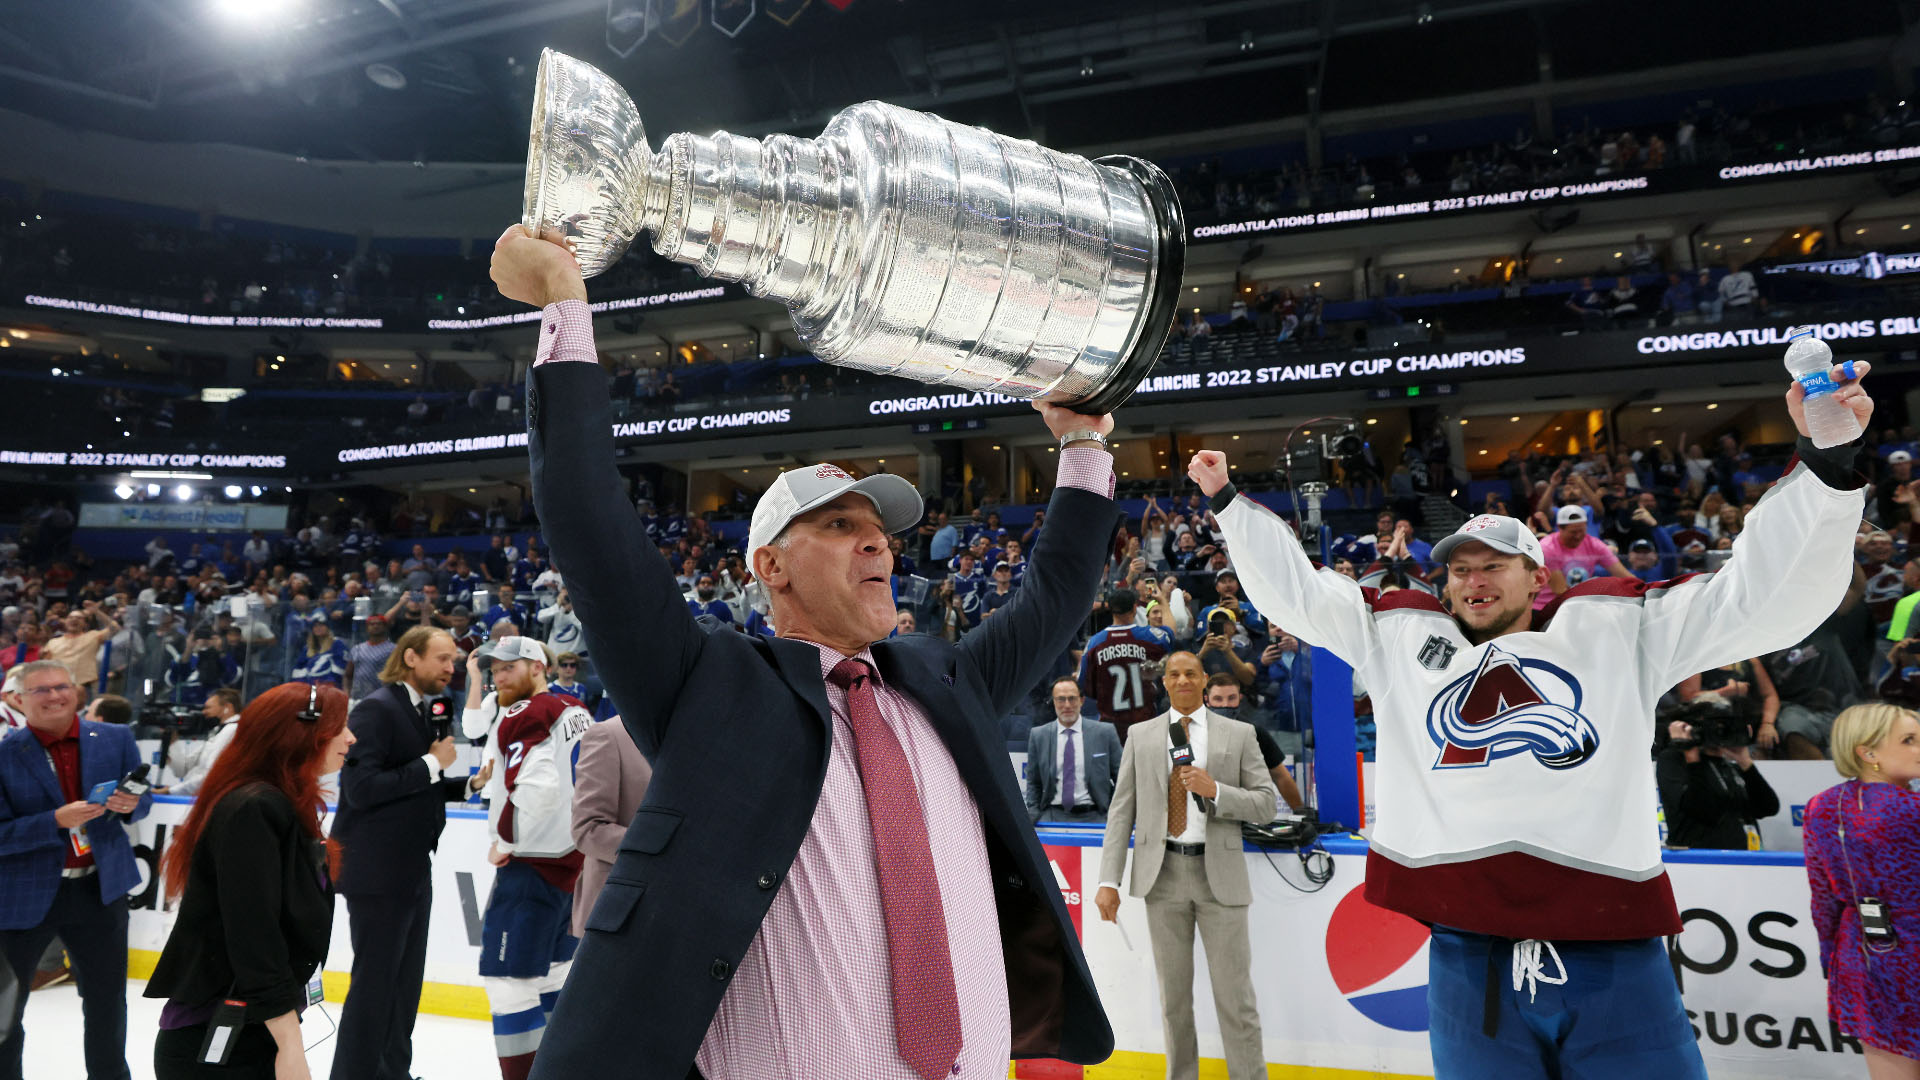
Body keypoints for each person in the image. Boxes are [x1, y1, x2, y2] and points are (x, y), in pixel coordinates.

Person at [493, 220, 1120, 1078]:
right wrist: (565, 309)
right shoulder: (709, 685)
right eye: (840, 526)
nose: (879, 546)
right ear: (771, 566)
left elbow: (1056, 592)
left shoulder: (949, 680)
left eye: (880, 532)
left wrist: (1084, 447)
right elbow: (589, 521)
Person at [1190, 355, 1874, 1080]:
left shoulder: (1615, 628)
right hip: (1467, 955)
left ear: (1538, 575)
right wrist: (1230, 502)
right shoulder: (1400, 638)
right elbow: (1298, 594)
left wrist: (1827, 465)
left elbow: (1757, 598)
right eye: (1460, 569)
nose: (1474, 581)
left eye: (1494, 566)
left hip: (1612, 950)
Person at [146, 683, 354, 1080]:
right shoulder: (254, 808)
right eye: (339, 726)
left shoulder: (280, 803)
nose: (350, 738)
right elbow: (253, 934)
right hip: (219, 1039)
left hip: (254, 1029)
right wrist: (290, 1045)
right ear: (301, 733)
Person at [1094, 651, 1277, 1080]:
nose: (1182, 680)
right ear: (1165, 682)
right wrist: (1108, 880)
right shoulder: (1141, 735)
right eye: (1174, 674)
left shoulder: (1240, 733)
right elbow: (1122, 812)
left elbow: (1267, 805)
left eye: (1190, 673)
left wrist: (1217, 791)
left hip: (1221, 880)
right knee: (1173, 1001)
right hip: (1163, 878)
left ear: (1203, 680)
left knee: (1237, 1001)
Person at [329, 626, 487, 1080]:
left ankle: (392, 1074)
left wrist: (466, 783)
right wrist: (434, 764)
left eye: (454, 661)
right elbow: (361, 790)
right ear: (411, 657)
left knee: (403, 986)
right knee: (376, 985)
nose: (450, 669)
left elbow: (416, 785)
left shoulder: (423, 711)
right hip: (377, 869)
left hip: (412, 865)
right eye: (442, 658)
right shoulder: (376, 711)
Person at [0, 659, 153, 1080]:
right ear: (18, 700)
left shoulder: (115, 737)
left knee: (107, 1001)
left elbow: (143, 799)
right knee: (4, 1008)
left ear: (76, 691)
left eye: (61, 686)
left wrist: (131, 804)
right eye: (41, 690)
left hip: (100, 890)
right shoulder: (4, 753)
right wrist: (52, 822)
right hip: (21, 898)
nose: (54, 696)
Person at [471, 637, 589, 1080]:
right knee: (555, 976)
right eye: (494, 670)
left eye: (509, 668)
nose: (499, 677)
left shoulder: (527, 713)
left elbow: (537, 788)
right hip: (570, 866)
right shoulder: (574, 708)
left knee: (509, 985)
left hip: (530, 868)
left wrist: (505, 838)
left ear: (538, 666)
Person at [1804, 703, 1920, 1079]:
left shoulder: (1821, 807)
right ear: (1868, 753)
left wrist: (1830, 959)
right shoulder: (1912, 809)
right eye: (1909, 740)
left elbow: (1823, 900)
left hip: (1864, 955)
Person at [569, 713, 652, 939]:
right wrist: (660, 851)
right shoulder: (608, 734)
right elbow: (588, 829)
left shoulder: (692, 737)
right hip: (617, 917)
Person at [1655, 718, 1779, 849]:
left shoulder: (1729, 764)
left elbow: (1769, 808)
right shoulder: (1673, 759)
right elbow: (1705, 811)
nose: (1720, 731)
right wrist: (1692, 758)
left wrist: (1745, 762)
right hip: (1701, 861)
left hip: (1746, 858)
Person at [1079, 587, 1173, 742]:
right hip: (1145, 723)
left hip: (1110, 726)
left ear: (1110, 608)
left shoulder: (1094, 643)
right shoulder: (1149, 636)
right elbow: (1171, 633)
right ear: (1135, 608)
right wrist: (1163, 601)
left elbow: (1084, 684)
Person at [1025, 677, 1122, 823]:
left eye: (1072, 698)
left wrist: (1113, 813)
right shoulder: (1039, 736)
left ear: (1081, 700)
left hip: (1097, 817)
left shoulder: (1105, 732)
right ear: (1053, 702)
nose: (1067, 705)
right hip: (1052, 817)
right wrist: (1035, 814)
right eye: (1061, 699)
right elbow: (1033, 781)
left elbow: (1122, 777)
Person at [1204, 674, 1304, 812]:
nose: (1225, 705)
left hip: (1241, 815)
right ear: (1207, 700)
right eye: (1218, 699)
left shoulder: (1254, 732)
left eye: (1231, 698)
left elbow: (1281, 776)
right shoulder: (1192, 731)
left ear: (1240, 698)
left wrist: (1301, 813)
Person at [155, 689, 243, 796]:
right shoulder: (218, 731)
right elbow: (182, 769)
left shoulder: (232, 730)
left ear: (227, 708)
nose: (203, 712)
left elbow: (211, 775)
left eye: (208, 708)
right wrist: (173, 741)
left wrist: (171, 791)